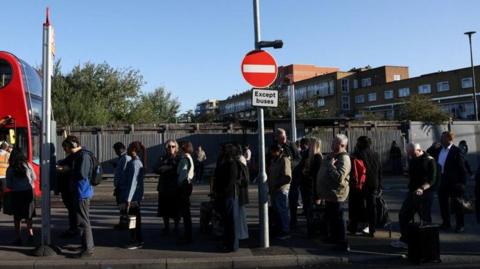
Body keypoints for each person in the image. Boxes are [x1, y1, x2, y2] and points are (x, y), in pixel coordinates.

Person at [391, 143, 436, 249]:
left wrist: (422, 188)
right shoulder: (412, 160)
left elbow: (432, 179)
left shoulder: (429, 160)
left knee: (425, 219)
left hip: (425, 194)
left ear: (417, 150)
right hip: (412, 193)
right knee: (403, 215)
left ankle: (427, 245)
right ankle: (405, 240)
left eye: (410, 153)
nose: (409, 155)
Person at [316, 134, 351, 251]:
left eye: (335, 143)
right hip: (329, 194)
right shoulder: (333, 155)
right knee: (332, 218)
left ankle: (342, 241)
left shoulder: (344, 158)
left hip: (337, 194)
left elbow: (339, 177)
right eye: (333, 142)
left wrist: (331, 166)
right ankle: (333, 237)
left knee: (339, 218)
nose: (332, 145)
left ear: (342, 145)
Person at [62, 135, 95, 258]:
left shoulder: (83, 155)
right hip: (79, 192)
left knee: (84, 221)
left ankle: (88, 249)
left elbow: (82, 174)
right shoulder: (77, 155)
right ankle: (85, 245)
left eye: (66, 147)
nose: (65, 150)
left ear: (73, 145)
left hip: (83, 192)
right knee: (81, 221)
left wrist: (67, 170)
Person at [429, 132, 467, 233]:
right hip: (442, 181)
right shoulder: (439, 150)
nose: (440, 140)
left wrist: (463, 184)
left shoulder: (456, 151)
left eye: (442, 138)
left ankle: (460, 225)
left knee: (457, 205)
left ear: (449, 139)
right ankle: (446, 223)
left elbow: (462, 168)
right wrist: (433, 146)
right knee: (443, 204)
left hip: (454, 183)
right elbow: (428, 153)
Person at [348, 136, 382, 238]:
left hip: (360, 184)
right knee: (372, 207)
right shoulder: (376, 154)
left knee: (355, 206)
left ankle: (353, 227)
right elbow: (379, 171)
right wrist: (380, 185)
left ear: (360, 144)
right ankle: (372, 229)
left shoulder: (356, 155)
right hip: (373, 184)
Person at [117, 141, 146, 250]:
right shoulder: (134, 162)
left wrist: (128, 199)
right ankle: (134, 239)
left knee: (135, 221)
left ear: (133, 149)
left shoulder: (135, 163)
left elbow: (133, 183)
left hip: (133, 198)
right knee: (133, 220)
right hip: (132, 197)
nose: (127, 149)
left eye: (129, 147)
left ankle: (137, 241)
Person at [213, 143, 241, 252]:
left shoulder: (232, 164)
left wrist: (222, 192)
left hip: (229, 196)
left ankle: (232, 245)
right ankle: (227, 243)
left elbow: (230, 181)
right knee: (226, 221)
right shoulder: (223, 162)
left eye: (223, 150)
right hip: (224, 195)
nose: (221, 152)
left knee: (231, 221)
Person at [6, 149, 36, 245]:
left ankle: (18, 237)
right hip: (28, 192)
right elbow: (34, 178)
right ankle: (30, 235)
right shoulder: (28, 165)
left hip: (16, 194)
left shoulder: (10, 169)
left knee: (17, 217)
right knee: (29, 215)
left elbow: (9, 184)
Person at [154, 139, 180, 235]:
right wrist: (168, 167)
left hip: (174, 188)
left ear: (176, 148)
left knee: (175, 209)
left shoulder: (179, 158)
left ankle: (176, 227)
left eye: (173, 146)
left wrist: (165, 168)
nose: (170, 148)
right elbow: (156, 168)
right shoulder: (162, 157)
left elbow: (177, 169)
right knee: (164, 209)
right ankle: (166, 227)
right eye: (169, 146)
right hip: (164, 187)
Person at [267, 144, 292, 239]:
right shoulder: (274, 160)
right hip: (274, 190)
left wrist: (277, 185)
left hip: (281, 189)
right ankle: (279, 228)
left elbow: (287, 177)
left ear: (277, 151)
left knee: (283, 211)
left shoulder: (284, 160)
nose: (272, 153)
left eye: (273, 151)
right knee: (277, 211)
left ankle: (285, 230)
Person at [300, 138, 323, 236]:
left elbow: (316, 174)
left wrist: (306, 172)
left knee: (314, 211)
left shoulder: (317, 157)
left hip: (314, 188)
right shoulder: (310, 157)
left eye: (311, 144)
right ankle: (311, 229)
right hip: (308, 187)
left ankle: (314, 230)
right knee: (309, 210)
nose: (309, 146)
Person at [56, 142, 79, 238]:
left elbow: (69, 169)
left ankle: (74, 229)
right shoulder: (70, 157)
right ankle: (73, 228)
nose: (64, 149)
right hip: (68, 188)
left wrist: (61, 168)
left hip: (70, 188)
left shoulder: (75, 157)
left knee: (73, 210)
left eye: (65, 147)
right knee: (72, 210)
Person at [177, 141, 195, 243]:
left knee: (185, 212)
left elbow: (182, 174)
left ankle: (188, 236)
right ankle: (188, 235)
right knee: (186, 212)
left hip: (184, 186)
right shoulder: (189, 158)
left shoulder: (184, 159)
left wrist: (178, 183)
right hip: (188, 185)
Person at [113, 142, 131, 229]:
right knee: (121, 206)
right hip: (120, 186)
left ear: (122, 149)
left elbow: (124, 173)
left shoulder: (125, 158)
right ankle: (123, 223)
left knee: (123, 207)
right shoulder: (122, 158)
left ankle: (125, 224)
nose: (116, 152)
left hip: (123, 187)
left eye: (117, 150)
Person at [0, 141, 11, 209]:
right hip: (4, 175)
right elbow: (10, 165)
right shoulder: (8, 154)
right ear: (6, 147)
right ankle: (4, 205)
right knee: (4, 192)